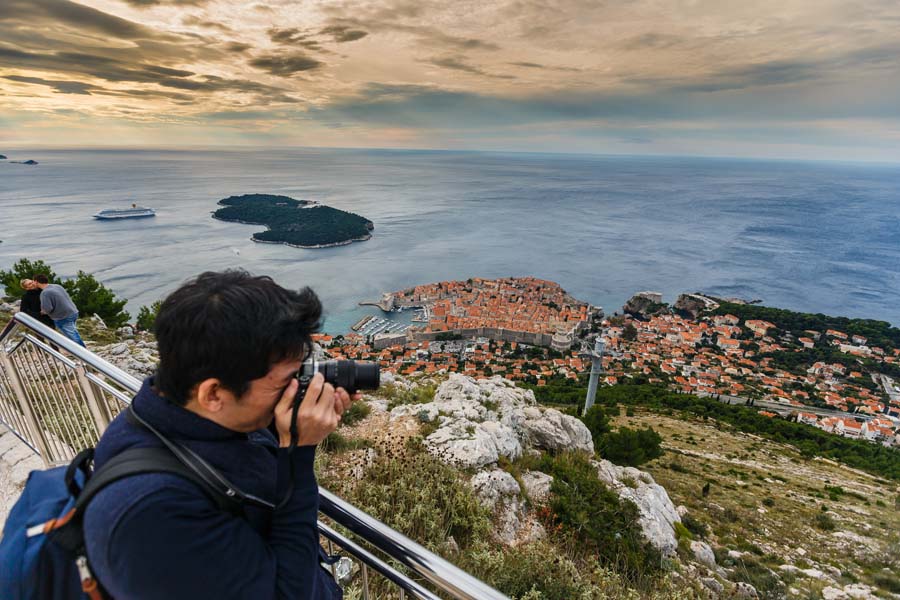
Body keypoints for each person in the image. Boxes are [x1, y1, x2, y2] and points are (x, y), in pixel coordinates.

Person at [83, 270, 358, 599]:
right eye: (286, 381)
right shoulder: (153, 513)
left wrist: (294, 419)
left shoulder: (178, 417)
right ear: (213, 394)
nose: (296, 388)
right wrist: (298, 451)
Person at [33, 274, 85, 347]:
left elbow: (47, 309)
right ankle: (77, 349)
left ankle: (82, 351)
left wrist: (41, 312)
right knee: (73, 333)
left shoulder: (45, 293)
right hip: (73, 312)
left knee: (73, 336)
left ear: (36, 281)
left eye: (33, 281)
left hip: (63, 317)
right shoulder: (57, 286)